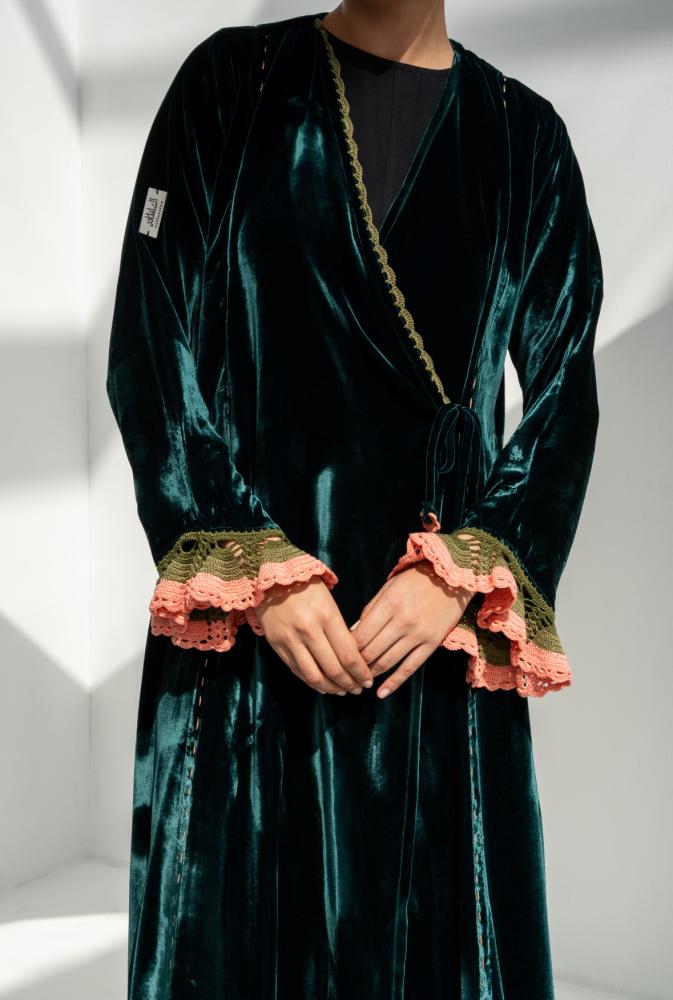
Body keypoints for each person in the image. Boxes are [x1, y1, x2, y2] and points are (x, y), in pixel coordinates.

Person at [106, 3, 603, 997]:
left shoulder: (522, 137)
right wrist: (253, 564)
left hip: (425, 633)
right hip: (257, 631)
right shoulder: (233, 85)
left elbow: (562, 398)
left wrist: (458, 574)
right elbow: (151, 348)